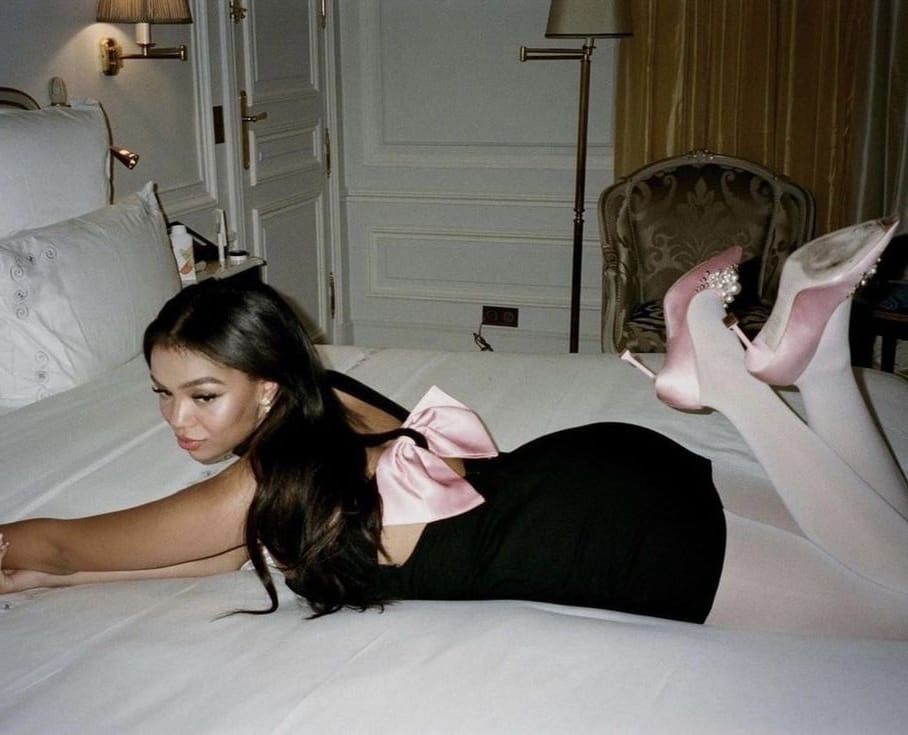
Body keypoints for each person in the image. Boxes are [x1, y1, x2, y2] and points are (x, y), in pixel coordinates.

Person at [1, 218, 907, 639]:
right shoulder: (328, 399)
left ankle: (733, 381)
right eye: (161, 394)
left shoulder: (259, 478)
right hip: (598, 467)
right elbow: (218, 553)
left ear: (267, 386)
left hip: (607, 532)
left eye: (203, 395)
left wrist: (41, 557)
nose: (177, 420)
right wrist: (55, 581)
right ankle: (821, 358)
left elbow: (62, 539)